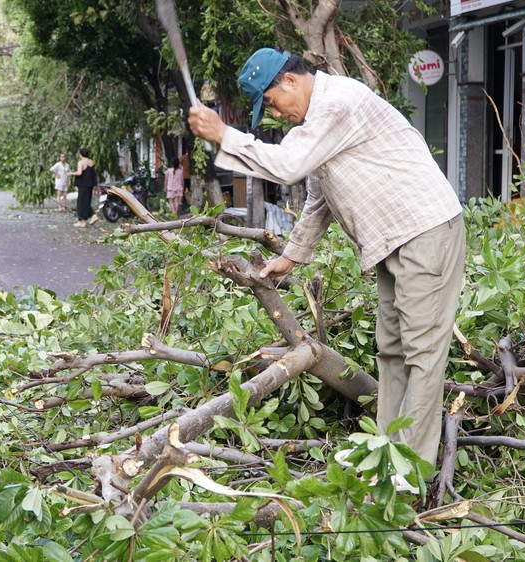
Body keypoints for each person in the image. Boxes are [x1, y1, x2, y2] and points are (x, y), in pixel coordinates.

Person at [188, 48, 465, 472]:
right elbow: (321, 194)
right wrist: (294, 256)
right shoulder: (319, 117)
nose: (276, 115)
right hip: (393, 239)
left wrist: (224, 134)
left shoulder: (337, 103)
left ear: (290, 82)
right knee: (391, 349)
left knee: (422, 352)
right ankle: (387, 453)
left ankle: (413, 469)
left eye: (274, 104)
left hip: (424, 230)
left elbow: (286, 166)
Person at [69, 147, 98, 227]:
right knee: (86, 202)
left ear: (80, 154)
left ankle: (85, 219)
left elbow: (79, 173)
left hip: (83, 185)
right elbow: (93, 174)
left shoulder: (81, 162)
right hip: (90, 185)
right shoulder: (91, 162)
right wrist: (95, 185)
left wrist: (71, 173)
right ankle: (84, 221)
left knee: (81, 203)